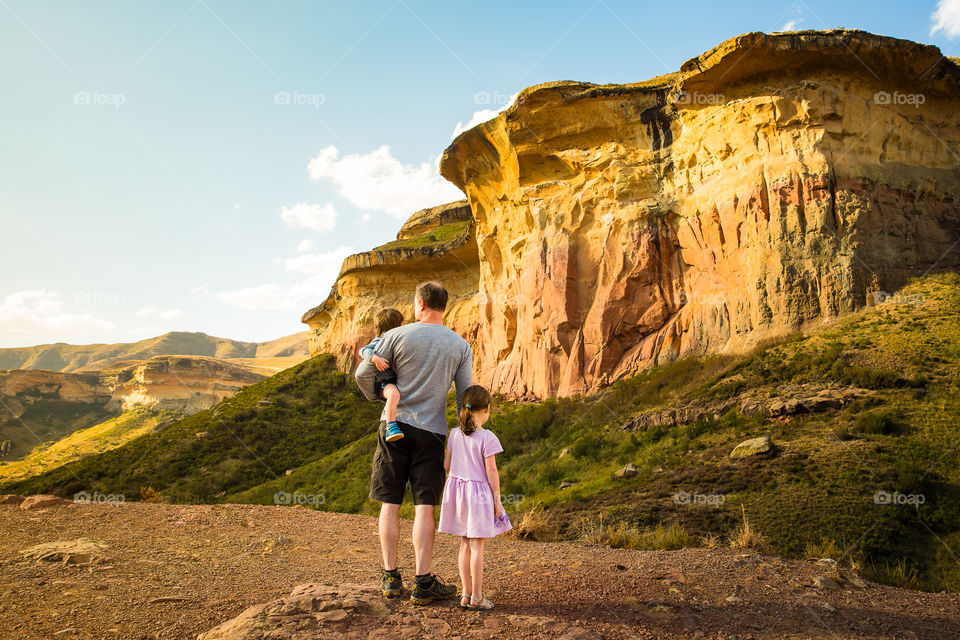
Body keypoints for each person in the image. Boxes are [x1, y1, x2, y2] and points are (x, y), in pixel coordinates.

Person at [355, 281, 474, 606]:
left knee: (389, 503)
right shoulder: (460, 346)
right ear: (442, 306)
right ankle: (423, 582)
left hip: (394, 426)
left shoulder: (395, 336)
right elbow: (467, 396)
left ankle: (391, 578)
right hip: (432, 432)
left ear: (420, 303)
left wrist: (379, 396)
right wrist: (465, 438)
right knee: (425, 506)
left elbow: (362, 373)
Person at [438, 385, 510, 611]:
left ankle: (466, 593)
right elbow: (491, 472)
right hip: (478, 496)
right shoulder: (487, 437)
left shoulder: (453, 434)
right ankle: (478, 597)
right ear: (487, 409)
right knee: (477, 545)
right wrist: (497, 500)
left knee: (464, 544)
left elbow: (446, 465)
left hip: (457, 494)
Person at [358, 307, 405, 442]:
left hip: (393, 380)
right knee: (393, 394)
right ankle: (391, 427)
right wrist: (375, 358)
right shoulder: (380, 341)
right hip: (385, 382)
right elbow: (363, 350)